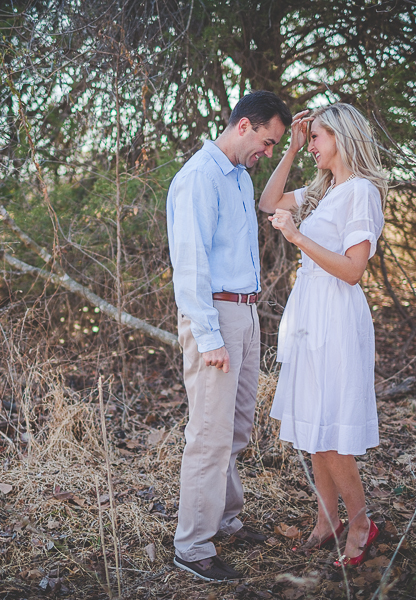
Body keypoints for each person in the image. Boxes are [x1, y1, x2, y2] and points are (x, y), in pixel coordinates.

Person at [167, 90, 292, 581]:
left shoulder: (239, 176)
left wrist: (293, 146)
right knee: (209, 435)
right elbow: (191, 266)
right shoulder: (200, 178)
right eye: (266, 141)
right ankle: (193, 547)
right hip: (213, 317)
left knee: (237, 427)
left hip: (245, 313)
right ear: (243, 126)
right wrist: (209, 335)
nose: (265, 151)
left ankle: (225, 518)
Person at [259, 103, 387, 567]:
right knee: (314, 426)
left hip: (337, 312)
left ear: (343, 137)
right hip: (308, 311)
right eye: (308, 138)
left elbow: (353, 271)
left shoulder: (361, 192)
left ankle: (360, 521)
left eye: (316, 137)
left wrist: (297, 239)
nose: (312, 145)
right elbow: (268, 202)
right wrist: (290, 149)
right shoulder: (323, 191)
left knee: (330, 428)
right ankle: (326, 518)